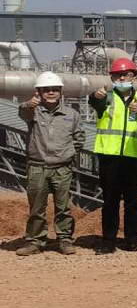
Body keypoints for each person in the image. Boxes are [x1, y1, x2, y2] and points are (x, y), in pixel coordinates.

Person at [15, 73, 84, 257]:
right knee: (37, 208)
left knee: (63, 207)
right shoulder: (33, 112)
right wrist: (29, 104)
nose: (51, 92)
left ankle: (65, 240)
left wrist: (68, 155)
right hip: (38, 167)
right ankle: (35, 241)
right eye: (46, 90)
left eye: (55, 89)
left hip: (62, 168)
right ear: (38, 92)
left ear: (61, 92)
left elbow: (79, 138)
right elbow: (22, 111)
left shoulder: (71, 114)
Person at [89, 58, 137, 254]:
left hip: (135, 157)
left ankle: (132, 240)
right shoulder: (106, 98)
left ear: (135, 77)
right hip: (110, 157)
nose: (122, 78)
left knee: (133, 202)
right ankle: (108, 241)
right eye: (117, 75)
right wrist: (95, 96)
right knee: (110, 201)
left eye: (126, 75)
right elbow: (95, 102)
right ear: (112, 78)